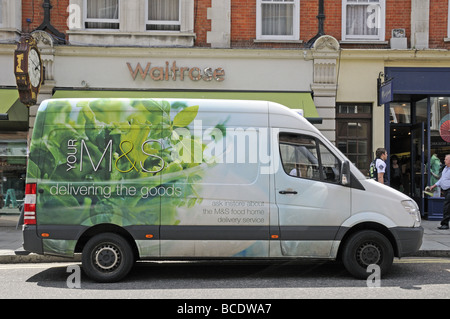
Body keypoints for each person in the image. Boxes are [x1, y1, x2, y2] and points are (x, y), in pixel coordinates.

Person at [430, 154, 450, 230]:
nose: (444, 160)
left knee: (446, 207)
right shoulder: (445, 168)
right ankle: (445, 223)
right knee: (447, 207)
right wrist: (434, 186)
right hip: (446, 191)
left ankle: (445, 224)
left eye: (446, 159)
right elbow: (442, 179)